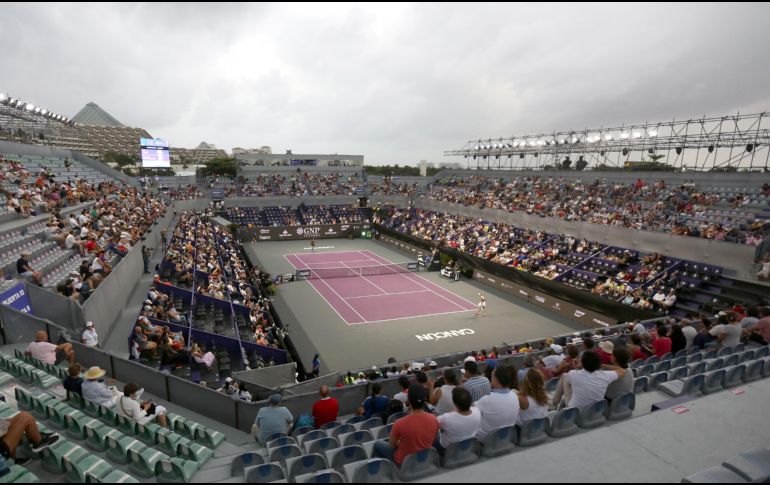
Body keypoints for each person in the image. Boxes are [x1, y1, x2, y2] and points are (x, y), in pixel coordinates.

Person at [373, 384, 439, 466]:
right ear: (425, 399)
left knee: (377, 444)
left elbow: (392, 445)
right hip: (425, 458)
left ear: (409, 400)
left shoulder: (399, 423)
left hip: (404, 462)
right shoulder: (434, 418)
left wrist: (401, 442)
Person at [562, 350, 626, 411]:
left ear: (582, 362)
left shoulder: (573, 373)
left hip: (575, 411)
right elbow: (622, 370)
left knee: (565, 376)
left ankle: (558, 403)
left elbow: (575, 379)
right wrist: (601, 365)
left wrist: (577, 367)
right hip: (594, 411)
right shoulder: (605, 375)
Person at [475, 366, 519, 442]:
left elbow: (468, 411)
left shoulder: (487, 400)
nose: (490, 378)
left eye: (492, 376)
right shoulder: (514, 395)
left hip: (487, 441)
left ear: (496, 379)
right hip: (506, 438)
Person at [436, 387, 481, 452]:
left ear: (455, 403)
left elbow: (432, 424)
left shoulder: (446, 418)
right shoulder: (477, 411)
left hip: (448, 450)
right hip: (470, 445)